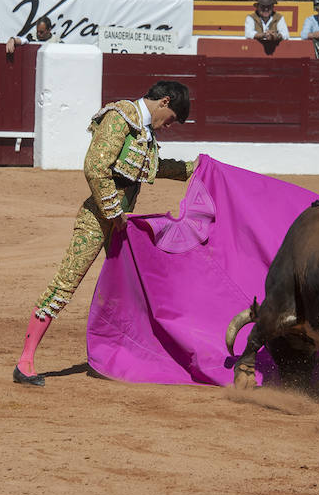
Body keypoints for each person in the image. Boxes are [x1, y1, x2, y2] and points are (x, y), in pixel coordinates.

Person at [14, 80, 196, 386]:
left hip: (119, 225)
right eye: (174, 118)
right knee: (66, 283)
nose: (170, 125)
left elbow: (150, 168)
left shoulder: (144, 131)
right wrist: (113, 213)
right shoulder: (121, 116)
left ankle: (126, 356)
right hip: (98, 220)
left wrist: (193, 168)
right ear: (164, 102)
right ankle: (25, 361)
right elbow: (95, 166)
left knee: (133, 289)